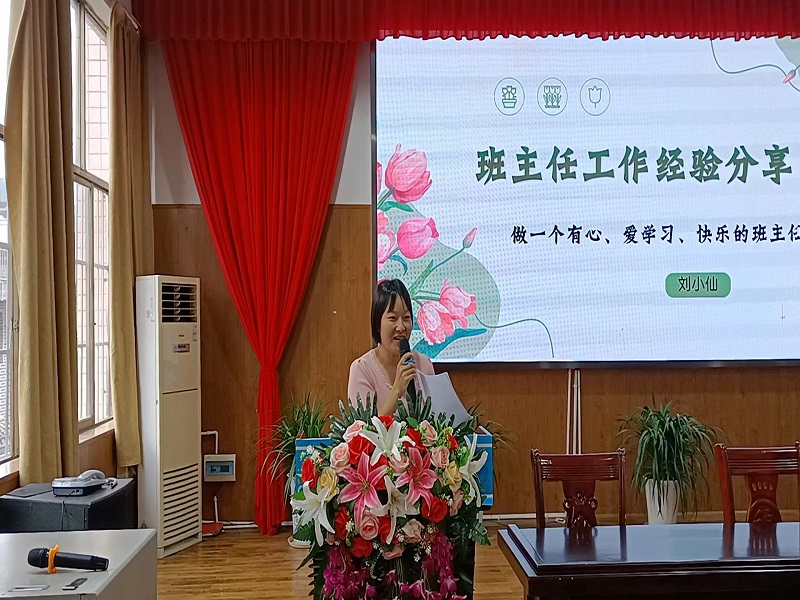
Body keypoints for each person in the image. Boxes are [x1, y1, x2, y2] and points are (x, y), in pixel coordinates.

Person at [348, 279, 435, 416]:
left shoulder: (424, 364)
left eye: (406, 318)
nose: (401, 327)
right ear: (377, 323)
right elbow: (366, 428)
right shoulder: (362, 369)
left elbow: (435, 418)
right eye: (393, 318)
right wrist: (397, 390)